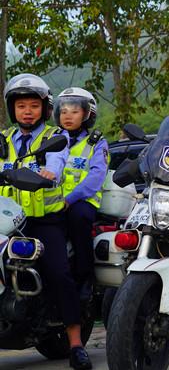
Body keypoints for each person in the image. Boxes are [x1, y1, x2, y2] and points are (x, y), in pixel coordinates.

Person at [1, 74, 91, 369]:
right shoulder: (3, 139)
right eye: (21, 105)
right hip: (8, 221)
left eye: (33, 106)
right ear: (11, 109)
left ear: (45, 108)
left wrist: (48, 173)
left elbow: (56, 160)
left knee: (59, 274)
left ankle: (76, 343)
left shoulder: (55, 137)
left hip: (44, 222)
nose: (27, 111)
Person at [55, 88, 110, 301]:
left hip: (82, 201)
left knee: (78, 219)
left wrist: (70, 199)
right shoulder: (50, 139)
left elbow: (96, 177)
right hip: (52, 201)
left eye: (75, 111)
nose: (68, 116)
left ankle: (85, 278)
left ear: (88, 114)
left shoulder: (96, 143)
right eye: (64, 111)